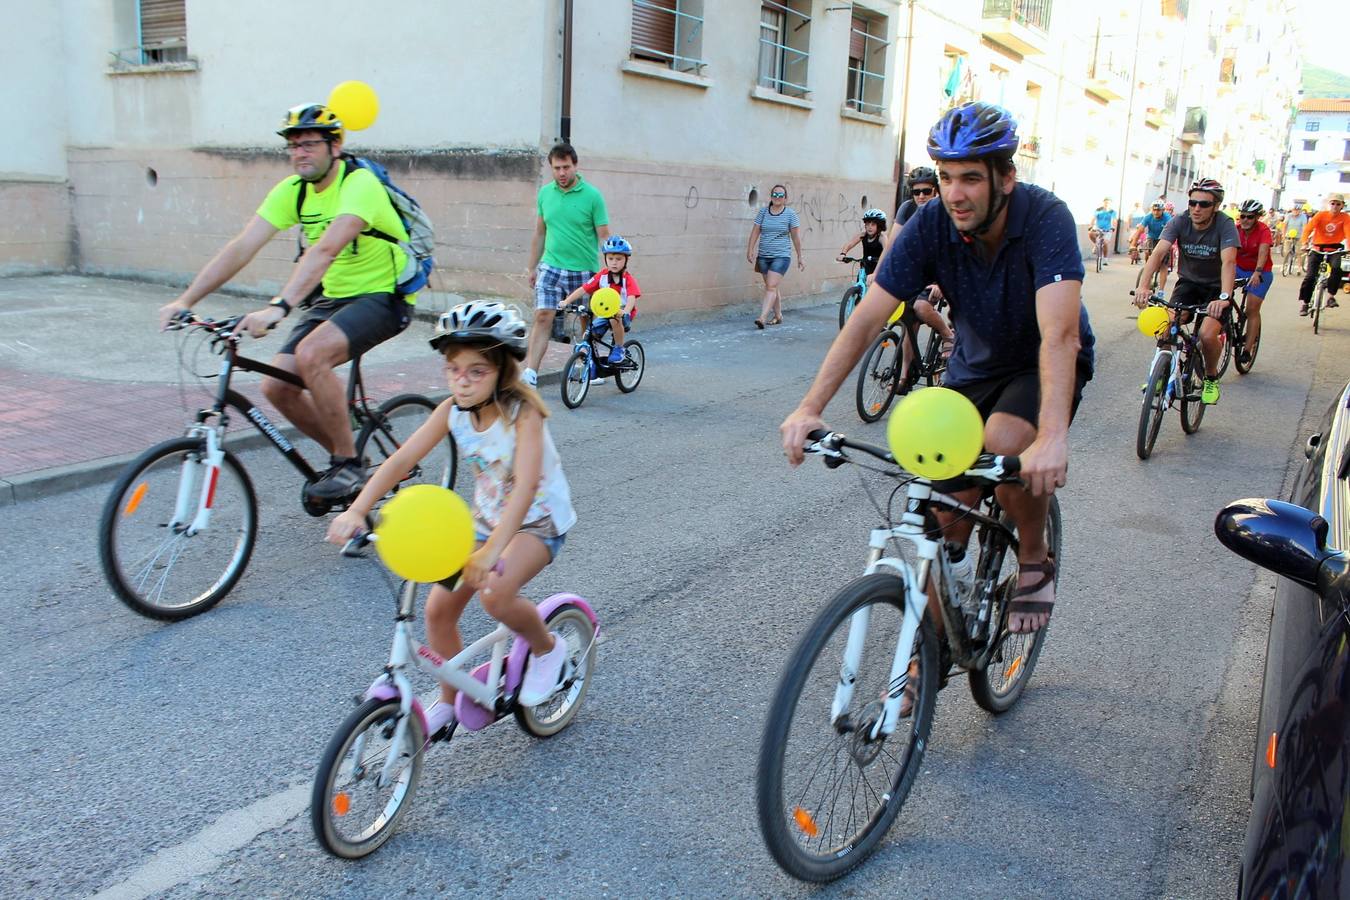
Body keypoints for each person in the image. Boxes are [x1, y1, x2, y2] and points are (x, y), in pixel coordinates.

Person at [782, 101, 1095, 641]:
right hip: (973, 366)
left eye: (971, 178)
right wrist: (810, 407)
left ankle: (1035, 556)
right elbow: (867, 318)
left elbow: (1060, 335)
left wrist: (1052, 437)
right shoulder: (931, 225)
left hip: (1040, 362)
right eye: (946, 177)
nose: (954, 193)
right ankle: (920, 668)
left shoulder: (1046, 218)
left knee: (1002, 447)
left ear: (1006, 178)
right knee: (937, 512)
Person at [327, 301, 576, 734]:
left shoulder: (524, 414)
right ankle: (449, 700)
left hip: (537, 521)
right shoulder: (451, 413)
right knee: (438, 613)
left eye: (476, 371)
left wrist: (492, 552)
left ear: (501, 369)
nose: (462, 380)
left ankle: (547, 650)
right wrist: (357, 509)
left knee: (495, 595)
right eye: (454, 369)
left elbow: (527, 487)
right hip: (482, 523)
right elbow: (399, 460)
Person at [157, 103, 415, 502]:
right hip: (334, 299)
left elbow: (326, 249)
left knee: (312, 355)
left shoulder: (359, 183)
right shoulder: (292, 192)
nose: (300, 153)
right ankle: (346, 456)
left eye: (309, 143)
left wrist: (279, 306)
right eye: (293, 146)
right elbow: (242, 246)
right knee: (276, 386)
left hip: (384, 296)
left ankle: (347, 466)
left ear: (335, 146)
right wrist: (186, 299)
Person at [1133, 178, 1238, 405]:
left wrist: (1224, 298)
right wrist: (1143, 285)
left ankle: (1210, 378)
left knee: (1207, 335)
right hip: (1188, 284)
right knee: (1166, 326)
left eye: (1204, 204)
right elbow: (1159, 252)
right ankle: (1162, 375)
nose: (1196, 208)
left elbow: (1229, 262)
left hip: (1216, 288)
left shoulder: (1225, 224)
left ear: (1216, 206)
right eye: (1193, 203)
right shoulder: (1180, 221)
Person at [524, 142, 611, 386]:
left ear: (575, 166)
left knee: (586, 321)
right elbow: (540, 233)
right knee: (542, 316)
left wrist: (612, 273)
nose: (562, 173)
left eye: (566, 167)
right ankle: (530, 372)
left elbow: (604, 235)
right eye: (556, 168)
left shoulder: (593, 196)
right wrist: (532, 267)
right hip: (550, 266)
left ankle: (587, 365)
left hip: (584, 269)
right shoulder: (545, 194)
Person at [562, 234, 641, 364]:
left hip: (623, 313)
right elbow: (584, 288)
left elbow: (632, 298)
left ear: (626, 260)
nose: (614, 262)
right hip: (605, 312)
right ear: (605, 259)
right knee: (590, 334)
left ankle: (619, 348)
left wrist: (625, 311)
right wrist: (567, 301)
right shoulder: (602, 276)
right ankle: (593, 363)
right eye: (610, 258)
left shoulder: (627, 279)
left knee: (615, 319)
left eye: (618, 259)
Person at [747, 184, 804, 328]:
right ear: (771, 196)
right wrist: (750, 249)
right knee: (772, 286)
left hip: (781, 256)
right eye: (775, 194)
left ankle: (762, 317)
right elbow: (755, 231)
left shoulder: (790, 214)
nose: (777, 197)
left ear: (785, 198)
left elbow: (796, 238)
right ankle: (778, 316)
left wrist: (799, 257)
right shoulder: (763, 212)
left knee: (771, 286)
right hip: (764, 256)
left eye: (780, 195)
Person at [1234, 199, 1274, 359]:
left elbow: (1263, 252)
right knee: (1221, 293)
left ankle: (1247, 349)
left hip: (1260, 271)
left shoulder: (1263, 230)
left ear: (1257, 217)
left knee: (1251, 309)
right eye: (1242, 216)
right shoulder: (1235, 230)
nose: (1245, 220)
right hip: (1239, 268)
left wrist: (1257, 272)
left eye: (1249, 217)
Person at [1298, 193, 1350, 314]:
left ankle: (1331, 297)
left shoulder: (1345, 217)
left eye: (1338, 204)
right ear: (1328, 204)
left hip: (1335, 249)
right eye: (1333, 203)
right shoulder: (1321, 215)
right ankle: (1305, 303)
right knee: (1310, 277)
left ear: (1342, 206)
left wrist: (1349, 247)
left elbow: (1348, 233)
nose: (1335, 206)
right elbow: (1308, 229)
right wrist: (1305, 243)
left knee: (1336, 269)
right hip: (1317, 248)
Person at [836, 208, 888, 283]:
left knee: (875, 290)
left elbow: (886, 250)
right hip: (866, 265)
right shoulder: (863, 235)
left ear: (879, 226)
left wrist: (877, 269)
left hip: (879, 267)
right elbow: (850, 243)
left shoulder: (882, 237)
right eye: (867, 224)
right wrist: (843, 254)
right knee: (860, 284)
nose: (869, 227)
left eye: (873, 224)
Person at [1141, 200, 1174, 293]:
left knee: (1164, 264)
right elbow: (1140, 230)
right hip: (1151, 237)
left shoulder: (1167, 217)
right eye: (1154, 210)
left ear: (1163, 210)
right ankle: (1149, 267)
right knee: (1147, 250)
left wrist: (1170, 244)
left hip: (1163, 239)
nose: (1156, 212)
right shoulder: (1148, 217)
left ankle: (1161, 291)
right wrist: (1133, 244)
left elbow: (1171, 230)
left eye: (1158, 210)